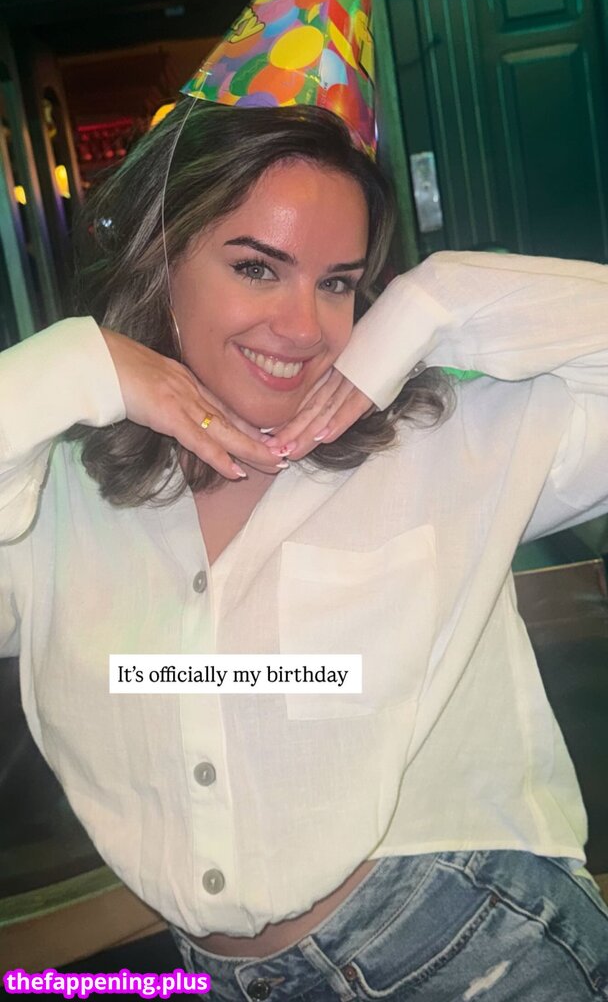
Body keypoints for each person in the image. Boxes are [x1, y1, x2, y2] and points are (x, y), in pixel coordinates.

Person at [2, 96, 608, 1000]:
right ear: (160, 259)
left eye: (338, 283)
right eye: (257, 267)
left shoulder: (443, 441)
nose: (305, 327)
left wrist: (433, 301)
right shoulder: (53, 496)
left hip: (477, 945)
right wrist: (74, 368)